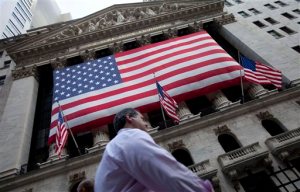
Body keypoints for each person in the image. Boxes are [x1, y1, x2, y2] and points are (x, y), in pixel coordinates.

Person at [94, 108, 213, 192]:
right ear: (129, 118)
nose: (146, 124)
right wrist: (201, 188)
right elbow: (167, 172)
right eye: (142, 119)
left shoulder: (114, 147)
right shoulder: (130, 137)